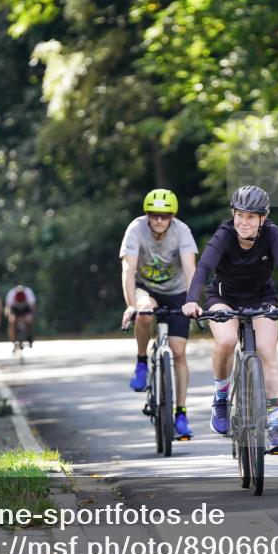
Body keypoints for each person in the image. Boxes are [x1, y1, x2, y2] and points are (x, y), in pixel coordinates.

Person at [182, 185, 278, 455]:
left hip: (261, 298)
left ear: (262, 219)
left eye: (251, 216)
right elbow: (204, 268)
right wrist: (191, 300)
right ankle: (221, 399)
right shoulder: (224, 234)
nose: (243, 222)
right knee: (227, 341)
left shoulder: (272, 234)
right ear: (233, 214)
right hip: (224, 298)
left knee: (268, 352)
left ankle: (276, 428)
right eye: (239, 215)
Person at [119, 188, 199, 439]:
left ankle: (181, 414)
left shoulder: (182, 231)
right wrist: (131, 304)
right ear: (147, 215)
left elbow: (190, 268)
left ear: (172, 216)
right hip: (147, 289)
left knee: (178, 352)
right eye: (154, 215)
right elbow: (128, 269)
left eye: (165, 216)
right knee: (144, 312)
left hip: (177, 291)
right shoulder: (136, 229)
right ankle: (142, 361)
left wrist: (193, 301)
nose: (159, 220)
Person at [5, 284, 37, 349]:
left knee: (29, 320)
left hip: (26, 310)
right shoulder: (11, 294)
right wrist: (9, 316)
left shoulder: (28, 293)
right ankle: (13, 341)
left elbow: (33, 307)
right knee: (12, 322)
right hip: (15, 311)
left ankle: (30, 336)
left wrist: (32, 316)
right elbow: (8, 307)